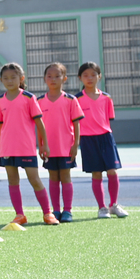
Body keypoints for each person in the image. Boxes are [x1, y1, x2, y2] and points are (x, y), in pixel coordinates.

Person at [0, 63, 57, 226]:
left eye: (13, 77)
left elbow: (39, 122)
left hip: (26, 148)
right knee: (12, 181)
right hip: (7, 148)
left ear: (21, 78)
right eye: (5, 78)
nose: (9, 81)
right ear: (1, 80)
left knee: (34, 180)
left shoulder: (29, 98)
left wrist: (44, 145)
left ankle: (48, 213)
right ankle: (20, 215)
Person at [75, 61, 127, 218]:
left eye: (93, 74)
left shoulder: (106, 98)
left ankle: (114, 205)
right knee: (96, 174)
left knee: (112, 171)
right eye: (86, 75)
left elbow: (108, 119)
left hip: (106, 138)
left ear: (99, 76)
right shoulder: (76, 99)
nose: (89, 78)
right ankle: (102, 208)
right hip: (88, 140)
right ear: (80, 78)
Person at [37, 62, 84, 222]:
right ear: (44, 79)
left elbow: (77, 123)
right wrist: (41, 144)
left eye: (57, 76)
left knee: (65, 177)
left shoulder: (71, 100)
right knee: (53, 177)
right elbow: (38, 126)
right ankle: (55, 210)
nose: (53, 79)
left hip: (66, 147)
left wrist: (75, 144)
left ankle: (68, 211)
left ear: (65, 78)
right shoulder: (39, 101)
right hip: (49, 149)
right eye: (49, 76)